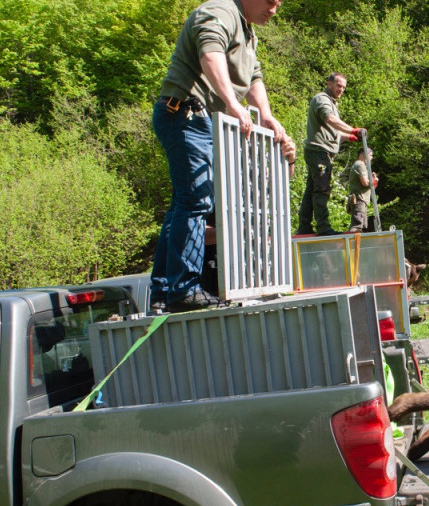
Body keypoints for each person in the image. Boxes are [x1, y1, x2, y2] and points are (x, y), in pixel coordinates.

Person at [150, 0, 295, 313]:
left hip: (202, 121)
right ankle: (183, 289)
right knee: (195, 202)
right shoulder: (220, 12)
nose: (274, 9)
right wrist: (232, 104)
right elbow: (209, 54)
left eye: (279, 4)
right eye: (270, 1)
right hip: (184, 114)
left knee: (185, 203)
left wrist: (266, 116)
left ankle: (164, 289)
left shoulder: (247, 30)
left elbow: (253, 76)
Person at [297, 72, 364, 236]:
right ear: (329, 84)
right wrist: (353, 129)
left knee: (312, 188)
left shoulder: (333, 104)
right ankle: (323, 227)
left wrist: (350, 137)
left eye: (344, 87)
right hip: (318, 151)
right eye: (339, 85)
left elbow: (332, 131)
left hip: (322, 152)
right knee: (322, 189)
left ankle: (304, 226)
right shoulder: (322, 99)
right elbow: (329, 119)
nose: (341, 89)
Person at [347, 147, 379, 232]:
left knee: (363, 227)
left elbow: (369, 185)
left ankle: (358, 244)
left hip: (361, 200)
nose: (371, 158)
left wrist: (372, 180)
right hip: (359, 199)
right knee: (357, 226)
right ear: (363, 154)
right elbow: (365, 183)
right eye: (370, 155)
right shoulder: (360, 165)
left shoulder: (360, 165)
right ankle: (352, 244)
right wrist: (374, 180)